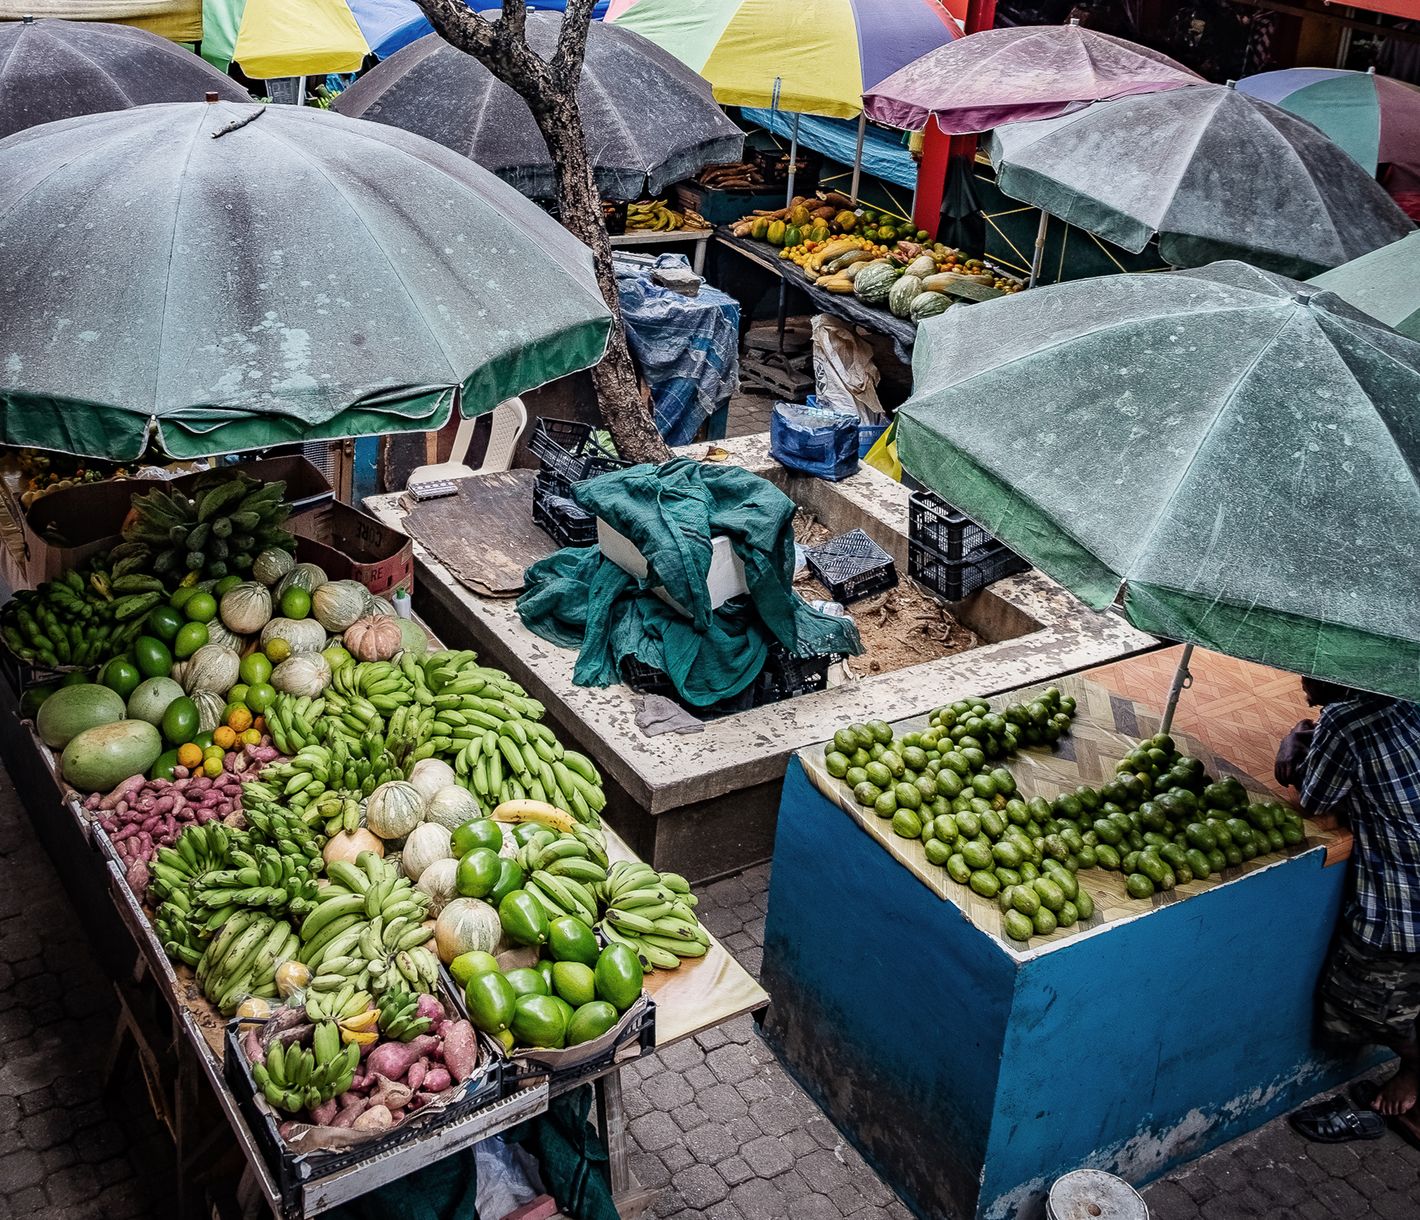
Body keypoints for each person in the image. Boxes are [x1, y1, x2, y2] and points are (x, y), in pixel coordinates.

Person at [1276, 678, 1420, 1145]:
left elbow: (1313, 802)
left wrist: (1294, 747)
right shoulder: (1405, 696)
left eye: (1307, 672)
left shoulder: (1343, 721)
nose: (1300, 679)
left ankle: (1416, 1073)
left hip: (1402, 908)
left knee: (1363, 1006)